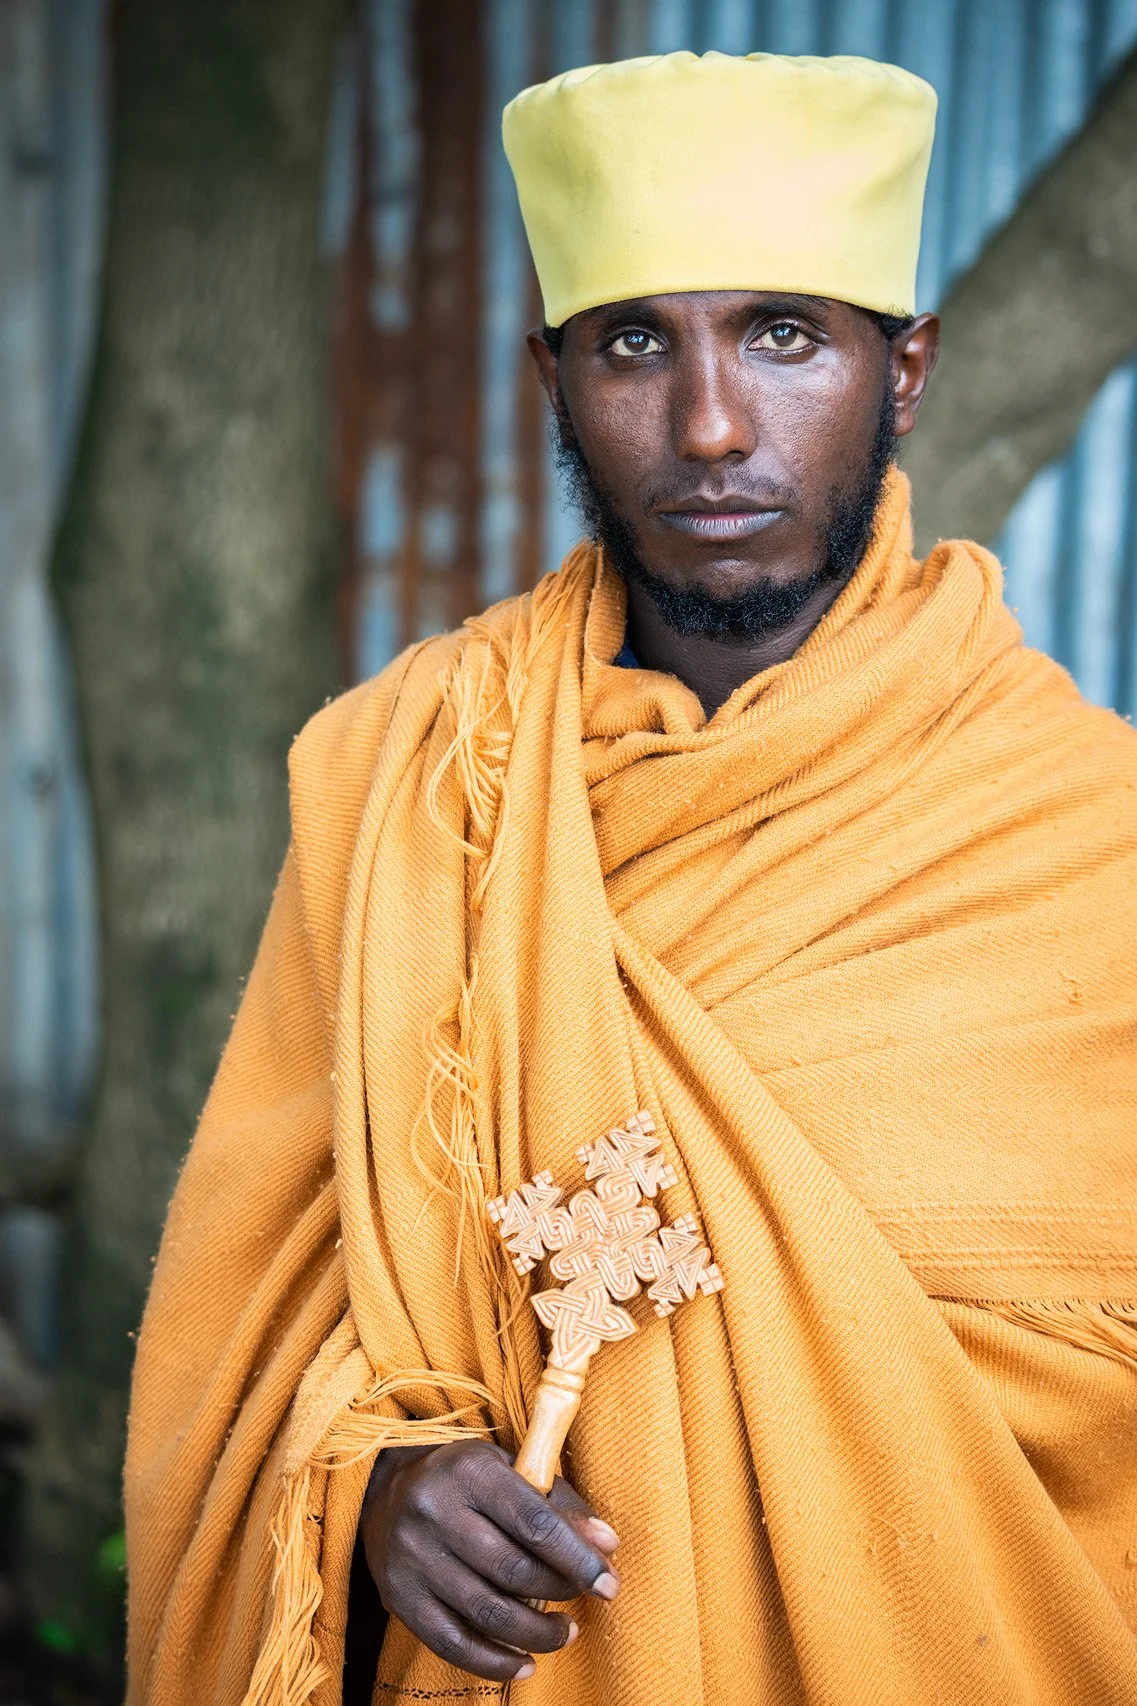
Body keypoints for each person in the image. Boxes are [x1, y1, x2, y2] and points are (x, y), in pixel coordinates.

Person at [124, 51, 1137, 1706]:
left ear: (909, 369)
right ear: (553, 373)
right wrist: (374, 1486)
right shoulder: (412, 785)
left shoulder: (1092, 833)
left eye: (787, 335)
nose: (713, 424)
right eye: (634, 343)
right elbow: (240, 1336)